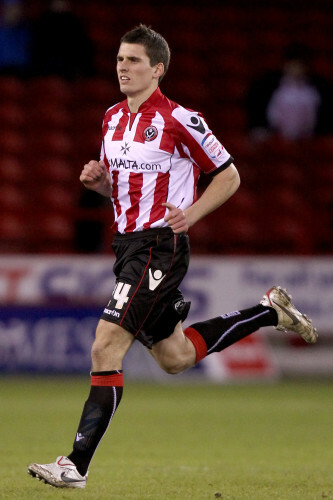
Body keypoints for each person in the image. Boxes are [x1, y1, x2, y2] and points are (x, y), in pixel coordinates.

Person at [28, 25, 318, 489]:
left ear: (157, 69)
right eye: (120, 59)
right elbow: (125, 189)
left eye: (134, 61)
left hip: (158, 246)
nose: (123, 67)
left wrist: (191, 214)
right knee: (175, 357)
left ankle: (75, 464)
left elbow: (228, 175)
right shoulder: (111, 119)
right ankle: (268, 313)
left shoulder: (181, 119)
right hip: (126, 246)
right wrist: (100, 183)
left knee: (105, 344)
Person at [246, 43, 333, 141]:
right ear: (285, 65)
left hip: (309, 140)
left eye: (299, 66)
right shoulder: (268, 85)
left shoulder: (317, 89)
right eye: (293, 65)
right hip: (275, 138)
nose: (296, 69)